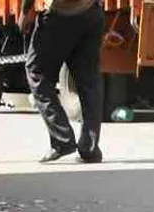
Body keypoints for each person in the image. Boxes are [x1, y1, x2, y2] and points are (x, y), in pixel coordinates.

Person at [21, 0, 106, 164]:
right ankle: (90, 148)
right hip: (91, 14)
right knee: (89, 81)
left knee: (36, 72)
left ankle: (62, 140)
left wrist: (26, 13)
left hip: (60, 15)